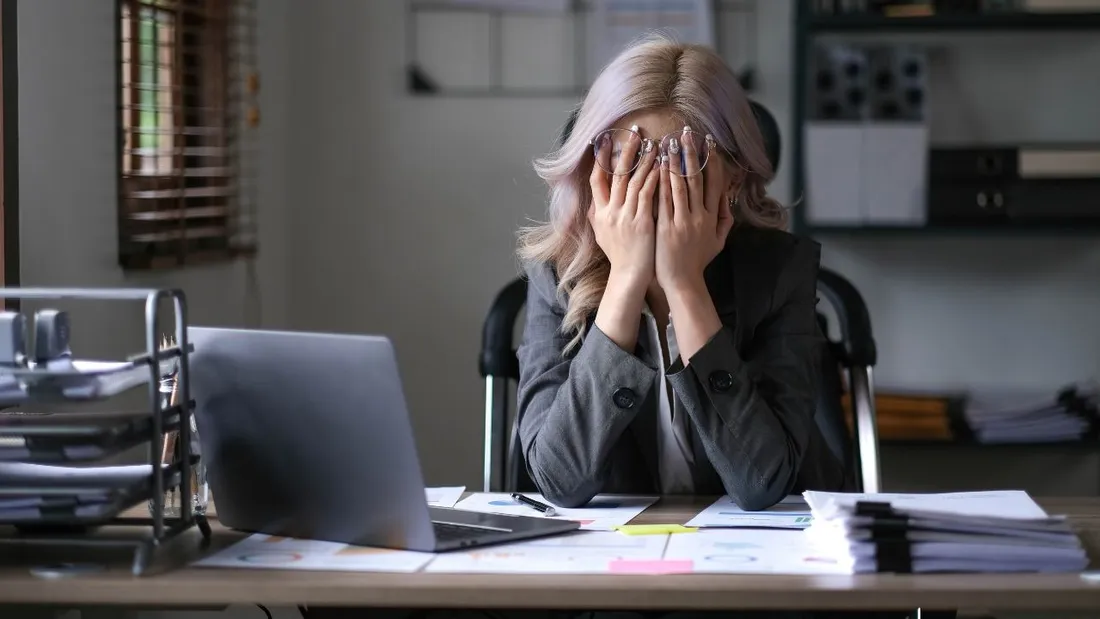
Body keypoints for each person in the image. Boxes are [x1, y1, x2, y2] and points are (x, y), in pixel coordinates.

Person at [515, 34, 852, 512]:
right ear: (593, 168)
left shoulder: (780, 272)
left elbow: (762, 482)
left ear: (733, 176)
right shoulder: (556, 275)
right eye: (629, 161)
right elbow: (560, 481)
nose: (650, 188)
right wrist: (627, 279)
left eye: (680, 163)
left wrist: (685, 285)